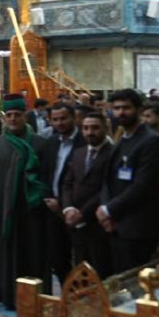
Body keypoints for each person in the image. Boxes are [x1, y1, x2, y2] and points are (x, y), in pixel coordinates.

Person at [0, 93, 51, 310]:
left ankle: (35, 297)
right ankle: (8, 294)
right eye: (8, 115)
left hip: (32, 209)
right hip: (4, 207)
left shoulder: (40, 144)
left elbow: (47, 176)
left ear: (25, 116)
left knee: (34, 251)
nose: (12, 119)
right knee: (6, 253)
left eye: (17, 115)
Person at [97, 89, 159, 274]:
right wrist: (107, 211)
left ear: (138, 110)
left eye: (126, 108)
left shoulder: (152, 142)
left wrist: (109, 209)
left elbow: (143, 186)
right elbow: (109, 178)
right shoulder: (123, 139)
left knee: (138, 286)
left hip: (140, 227)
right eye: (116, 108)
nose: (121, 112)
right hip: (117, 223)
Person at [59, 110, 113, 277]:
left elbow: (108, 187)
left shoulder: (114, 153)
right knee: (80, 270)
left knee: (101, 270)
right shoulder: (79, 153)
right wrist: (68, 208)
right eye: (86, 128)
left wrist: (82, 213)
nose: (90, 132)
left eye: (95, 128)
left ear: (105, 128)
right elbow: (67, 183)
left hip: (98, 223)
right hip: (75, 223)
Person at [40, 102, 84, 282]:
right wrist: (49, 198)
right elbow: (45, 173)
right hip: (53, 210)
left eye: (64, 118)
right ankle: (69, 294)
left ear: (74, 118)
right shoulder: (51, 142)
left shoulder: (85, 141)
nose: (60, 123)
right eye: (55, 120)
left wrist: (68, 205)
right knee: (57, 258)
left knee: (83, 260)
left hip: (79, 210)